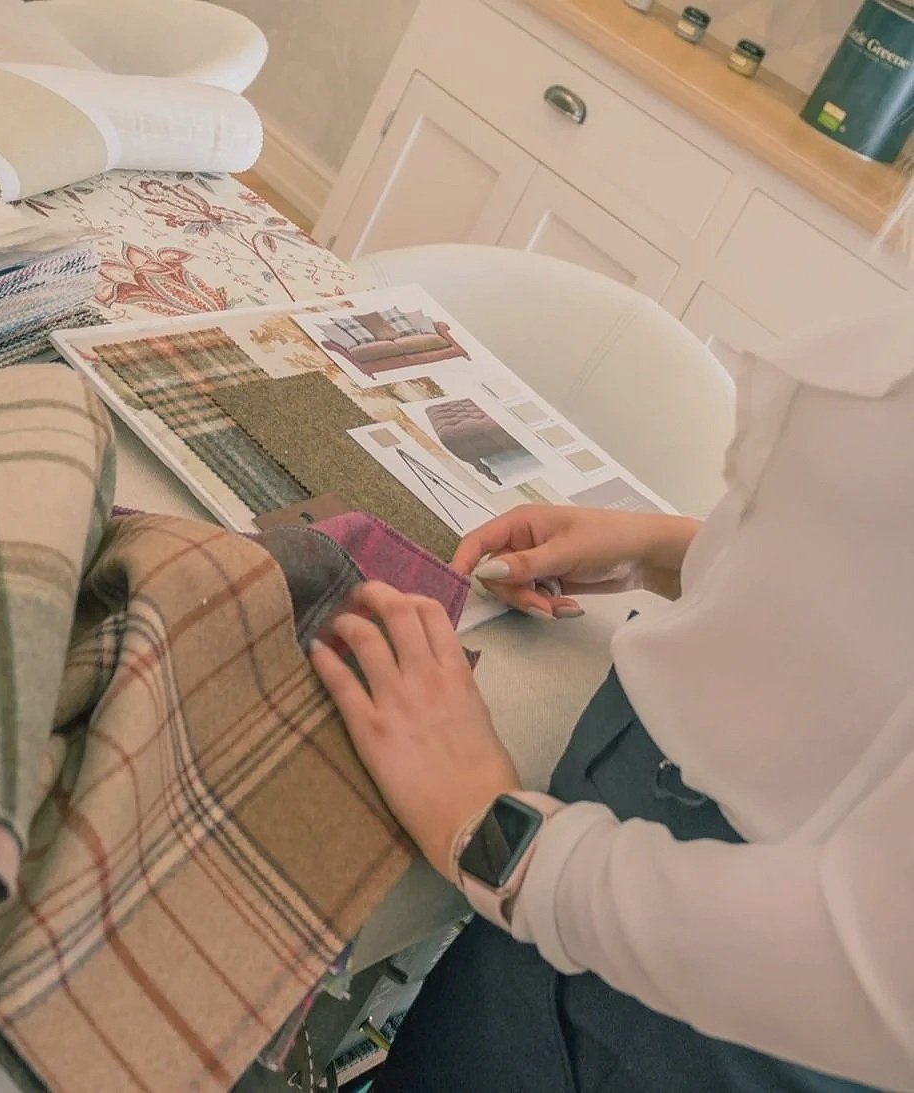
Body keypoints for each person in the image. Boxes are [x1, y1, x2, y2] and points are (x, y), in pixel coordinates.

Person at [307, 308, 914, 1091]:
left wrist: (494, 837)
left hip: (688, 1014)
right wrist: (670, 553)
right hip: (591, 892)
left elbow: (866, 980)